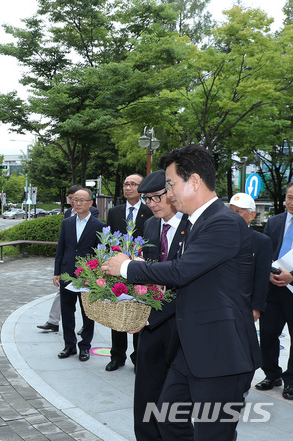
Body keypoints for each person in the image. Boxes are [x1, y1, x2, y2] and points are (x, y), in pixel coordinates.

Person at [102, 145, 260, 440]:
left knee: (212, 434)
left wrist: (127, 268)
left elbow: (180, 271)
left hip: (222, 354)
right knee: (168, 420)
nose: (169, 193)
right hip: (190, 351)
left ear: (195, 181)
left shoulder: (224, 222)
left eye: (171, 184)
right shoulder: (194, 222)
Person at [133, 170, 188, 441]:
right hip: (152, 321)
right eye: (146, 199)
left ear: (172, 193)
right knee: (146, 390)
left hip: (184, 322)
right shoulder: (151, 225)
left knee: (176, 398)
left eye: (156, 197)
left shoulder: (195, 223)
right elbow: (148, 270)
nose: (151, 204)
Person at [105, 173, 153, 372]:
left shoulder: (149, 211)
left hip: (139, 267)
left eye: (133, 184)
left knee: (136, 311)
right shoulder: (114, 212)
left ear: (141, 189)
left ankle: (138, 356)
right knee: (118, 311)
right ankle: (117, 356)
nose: (128, 187)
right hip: (117, 268)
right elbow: (109, 240)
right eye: (126, 184)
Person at [53, 187, 104, 362]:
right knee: (67, 310)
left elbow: (101, 254)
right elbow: (61, 249)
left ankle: (85, 347)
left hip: (87, 276)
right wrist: (57, 272)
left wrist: (98, 276)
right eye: (75, 199)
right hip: (67, 273)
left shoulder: (99, 226)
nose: (78, 203)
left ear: (90, 203)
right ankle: (69, 345)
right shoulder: (67, 223)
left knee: (87, 313)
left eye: (82, 200)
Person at [255, 182, 293, 400]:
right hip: (272, 287)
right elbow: (265, 251)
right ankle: (271, 374)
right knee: (268, 334)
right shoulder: (275, 221)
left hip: (292, 287)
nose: (291, 202)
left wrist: (292, 277)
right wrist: (268, 271)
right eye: (289, 197)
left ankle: (291, 381)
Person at [38, 185, 81, 332]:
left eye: (74, 198)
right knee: (62, 293)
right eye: (70, 198)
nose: (72, 201)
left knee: (84, 298)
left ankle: (87, 326)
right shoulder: (68, 212)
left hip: (84, 265)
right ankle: (53, 321)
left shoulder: (92, 212)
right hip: (67, 264)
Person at [228, 193, 271, 323]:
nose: (234, 215)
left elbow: (262, 277)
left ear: (252, 215)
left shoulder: (261, 241)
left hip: (245, 303)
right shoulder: (220, 237)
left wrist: (256, 307)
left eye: (239, 211)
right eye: (231, 211)